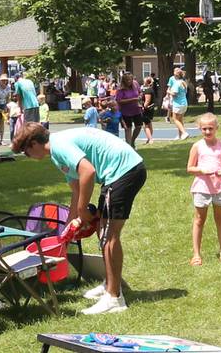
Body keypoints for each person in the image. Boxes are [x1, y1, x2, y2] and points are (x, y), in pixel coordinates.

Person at [14, 123, 146, 314]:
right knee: (103, 229)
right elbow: (76, 190)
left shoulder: (59, 146)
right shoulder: (57, 153)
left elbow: (88, 171)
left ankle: (114, 298)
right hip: (120, 173)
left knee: (110, 235)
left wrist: (83, 210)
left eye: (25, 151)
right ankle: (111, 283)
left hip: (124, 171)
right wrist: (68, 228)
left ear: (33, 143)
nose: (27, 156)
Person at [187, 113, 221, 266]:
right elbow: (190, 168)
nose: (207, 132)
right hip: (202, 188)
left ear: (216, 128)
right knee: (199, 219)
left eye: (210, 128)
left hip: (219, 187)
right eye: (204, 129)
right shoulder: (197, 146)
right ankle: (196, 254)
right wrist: (201, 171)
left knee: (220, 219)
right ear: (200, 129)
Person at [115, 73, 142, 148]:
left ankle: (132, 141)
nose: (129, 81)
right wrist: (133, 99)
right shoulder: (120, 89)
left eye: (131, 79)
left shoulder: (135, 84)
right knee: (128, 129)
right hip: (125, 112)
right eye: (127, 80)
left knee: (139, 126)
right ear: (124, 80)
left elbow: (140, 92)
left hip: (136, 109)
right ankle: (129, 147)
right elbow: (119, 101)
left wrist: (140, 96)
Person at [168, 68, 189, 140]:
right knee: (180, 120)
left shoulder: (177, 83)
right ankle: (180, 136)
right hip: (184, 103)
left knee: (175, 119)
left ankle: (184, 133)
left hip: (178, 104)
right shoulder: (183, 82)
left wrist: (169, 92)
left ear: (176, 75)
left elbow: (174, 94)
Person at [141, 77, 155, 144]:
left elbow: (147, 100)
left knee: (146, 125)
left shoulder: (148, 90)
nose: (143, 82)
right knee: (149, 124)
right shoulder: (150, 89)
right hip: (150, 109)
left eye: (144, 81)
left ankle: (150, 139)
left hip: (147, 110)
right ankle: (149, 138)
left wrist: (144, 107)